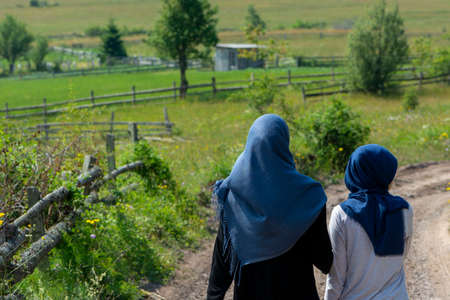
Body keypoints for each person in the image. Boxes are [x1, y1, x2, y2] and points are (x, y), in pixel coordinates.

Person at [207, 114, 333, 300]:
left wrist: (214, 296)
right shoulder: (307, 196)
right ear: (284, 143)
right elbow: (323, 260)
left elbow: (222, 261)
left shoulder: (233, 194)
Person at [325, 144, 413, 300]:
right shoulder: (404, 209)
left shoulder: (342, 214)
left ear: (353, 171)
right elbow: (401, 257)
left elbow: (336, 275)